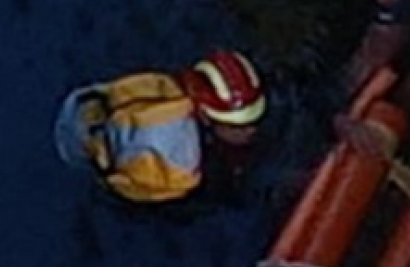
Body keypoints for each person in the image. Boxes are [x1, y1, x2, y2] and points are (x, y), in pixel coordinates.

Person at [54, 48, 266, 204]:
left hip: (84, 111)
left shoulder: (166, 87)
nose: (251, 131)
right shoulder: (182, 164)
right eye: (240, 126)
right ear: (206, 117)